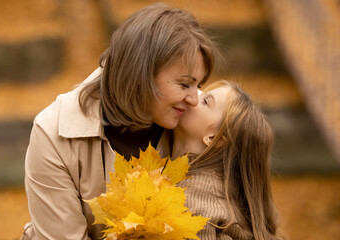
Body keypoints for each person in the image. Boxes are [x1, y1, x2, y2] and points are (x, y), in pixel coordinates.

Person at [20, 3, 218, 239]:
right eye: (184, 84)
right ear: (140, 74)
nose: (195, 99)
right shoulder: (54, 132)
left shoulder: (200, 117)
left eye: (200, 85)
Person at [172, 81, 284, 240]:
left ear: (214, 139)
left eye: (205, 101)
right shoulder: (219, 185)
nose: (195, 95)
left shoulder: (191, 199)